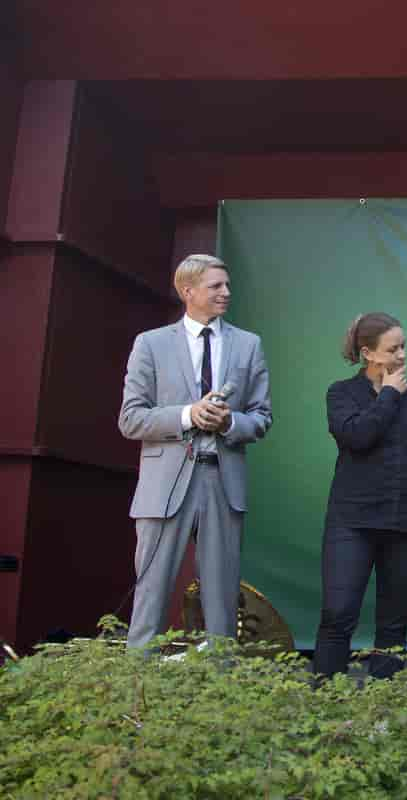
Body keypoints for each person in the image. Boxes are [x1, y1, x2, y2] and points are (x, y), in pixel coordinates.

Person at [119, 254, 272, 650]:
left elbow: (262, 418)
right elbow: (131, 419)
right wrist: (189, 414)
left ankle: (220, 687)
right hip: (164, 484)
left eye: (227, 284)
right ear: (188, 292)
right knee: (151, 592)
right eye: (216, 286)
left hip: (223, 481)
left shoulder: (248, 344)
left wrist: (229, 423)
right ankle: (138, 690)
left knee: (222, 596)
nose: (226, 292)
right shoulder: (150, 344)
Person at [312, 313, 407, 679]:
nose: (401, 355)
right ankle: (325, 711)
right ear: (368, 353)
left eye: (403, 346)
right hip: (352, 521)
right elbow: (358, 437)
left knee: (393, 628)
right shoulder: (341, 393)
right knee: (338, 615)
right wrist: (390, 395)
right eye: (392, 349)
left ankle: (383, 719)